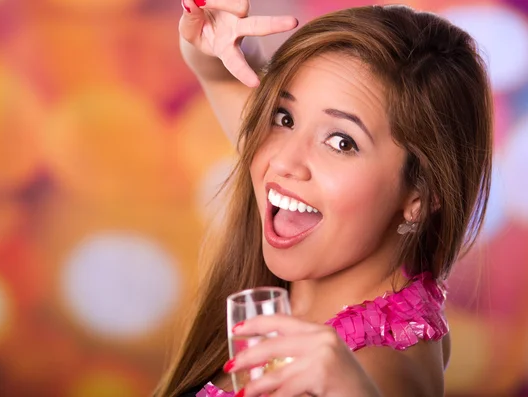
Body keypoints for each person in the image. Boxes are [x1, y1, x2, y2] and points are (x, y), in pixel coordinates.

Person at [156, 1, 493, 396]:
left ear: (420, 195)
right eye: (285, 118)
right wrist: (214, 40)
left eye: (341, 142)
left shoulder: (375, 370)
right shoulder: (286, 166)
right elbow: (216, 69)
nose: (282, 162)